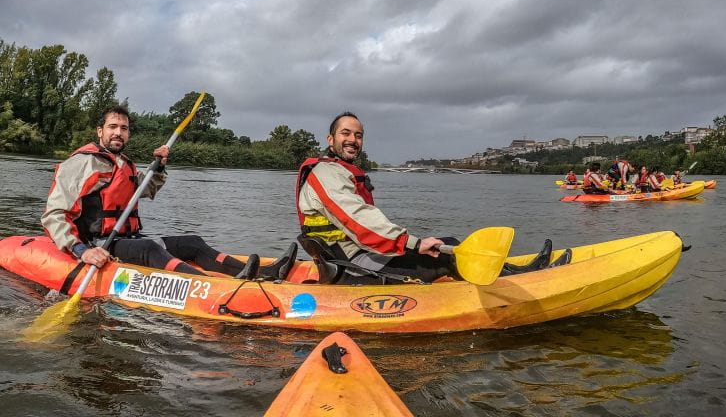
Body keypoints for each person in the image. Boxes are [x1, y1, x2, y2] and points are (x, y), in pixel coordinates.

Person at [295, 112, 562, 284]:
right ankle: (521, 282)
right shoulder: (326, 174)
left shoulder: (336, 171)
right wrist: (412, 243)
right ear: (331, 139)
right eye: (346, 133)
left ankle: (514, 272)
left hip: (354, 256)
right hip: (351, 267)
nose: (353, 140)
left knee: (448, 244)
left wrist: (411, 244)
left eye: (358, 135)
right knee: (448, 256)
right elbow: (359, 220)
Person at [41, 105, 289, 281]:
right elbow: (54, 215)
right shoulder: (82, 163)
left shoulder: (123, 163)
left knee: (192, 242)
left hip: (126, 239)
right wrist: (82, 251)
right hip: (98, 244)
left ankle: (264, 273)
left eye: (124, 128)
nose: (118, 132)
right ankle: (214, 285)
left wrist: (158, 167)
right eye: (112, 127)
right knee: (150, 248)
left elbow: (146, 189)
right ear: (100, 131)